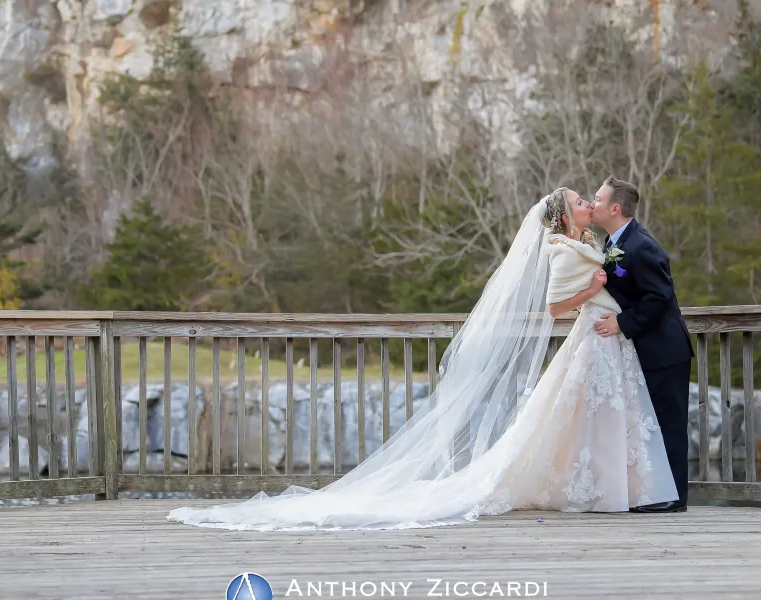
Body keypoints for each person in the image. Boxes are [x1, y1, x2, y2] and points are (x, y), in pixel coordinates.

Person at [166, 188, 677, 531]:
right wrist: (592, 289)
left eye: (593, 198)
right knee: (578, 418)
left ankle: (613, 488)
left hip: (608, 338)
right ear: (567, 215)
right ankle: (599, 488)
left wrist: (604, 299)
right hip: (597, 336)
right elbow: (556, 305)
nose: (589, 201)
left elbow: (623, 290)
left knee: (589, 419)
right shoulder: (565, 248)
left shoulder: (594, 240)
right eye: (580, 200)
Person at [589, 176, 693, 513]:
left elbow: (659, 296)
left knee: (668, 422)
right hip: (643, 350)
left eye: (598, 198)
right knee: (648, 423)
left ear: (615, 208)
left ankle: (673, 499)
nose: (593, 203)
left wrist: (622, 323)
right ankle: (651, 492)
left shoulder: (642, 246)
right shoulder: (612, 242)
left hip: (665, 349)